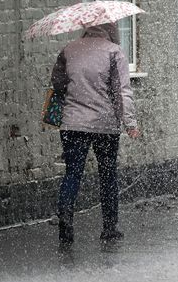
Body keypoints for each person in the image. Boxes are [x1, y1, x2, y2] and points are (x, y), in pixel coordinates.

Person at [51, 22, 140, 247]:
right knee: (108, 175)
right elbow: (122, 91)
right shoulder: (114, 52)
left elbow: (58, 84)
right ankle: (109, 229)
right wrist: (129, 122)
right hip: (104, 124)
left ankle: (65, 219)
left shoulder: (69, 49)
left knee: (73, 174)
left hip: (72, 123)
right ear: (111, 30)